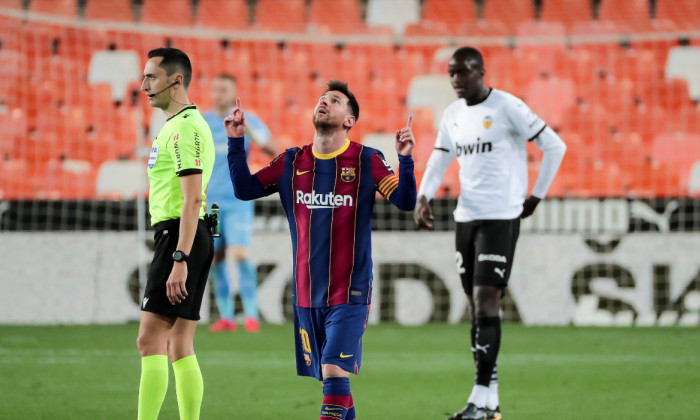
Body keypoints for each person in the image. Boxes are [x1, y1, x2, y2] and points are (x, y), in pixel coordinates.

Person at [226, 80, 416, 420]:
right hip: (305, 294)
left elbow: (404, 201)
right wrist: (237, 141)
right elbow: (243, 189)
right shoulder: (290, 162)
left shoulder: (366, 159)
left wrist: (405, 162)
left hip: (350, 292)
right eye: (321, 99)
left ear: (349, 120)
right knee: (333, 383)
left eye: (335, 100)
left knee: (332, 371)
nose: (324, 103)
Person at [413, 47, 566, 420]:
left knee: (485, 300)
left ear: (481, 71)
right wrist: (423, 194)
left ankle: (478, 398)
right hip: (467, 218)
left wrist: (536, 197)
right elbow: (439, 159)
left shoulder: (508, 107)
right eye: (451, 73)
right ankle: (490, 403)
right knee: (477, 310)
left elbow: (555, 146)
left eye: (462, 72)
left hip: (501, 217)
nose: (455, 79)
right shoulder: (451, 115)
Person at [136, 47, 215, 420]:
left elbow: (192, 197)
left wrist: (179, 258)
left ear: (176, 79)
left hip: (179, 237)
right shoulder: (179, 124)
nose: (143, 86)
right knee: (179, 344)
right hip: (190, 235)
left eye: (151, 77)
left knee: (150, 339)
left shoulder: (184, 127)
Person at [202, 73, 276, 333]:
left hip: (239, 200)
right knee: (215, 258)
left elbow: (271, 148)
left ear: (234, 94)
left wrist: (251, 132)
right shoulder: (204, 122)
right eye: (216, 88)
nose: (218, 93)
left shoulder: (248, 120)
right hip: (211, 203)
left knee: (241, 255)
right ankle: (226, 317)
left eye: (224, 89)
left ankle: (251, 315)